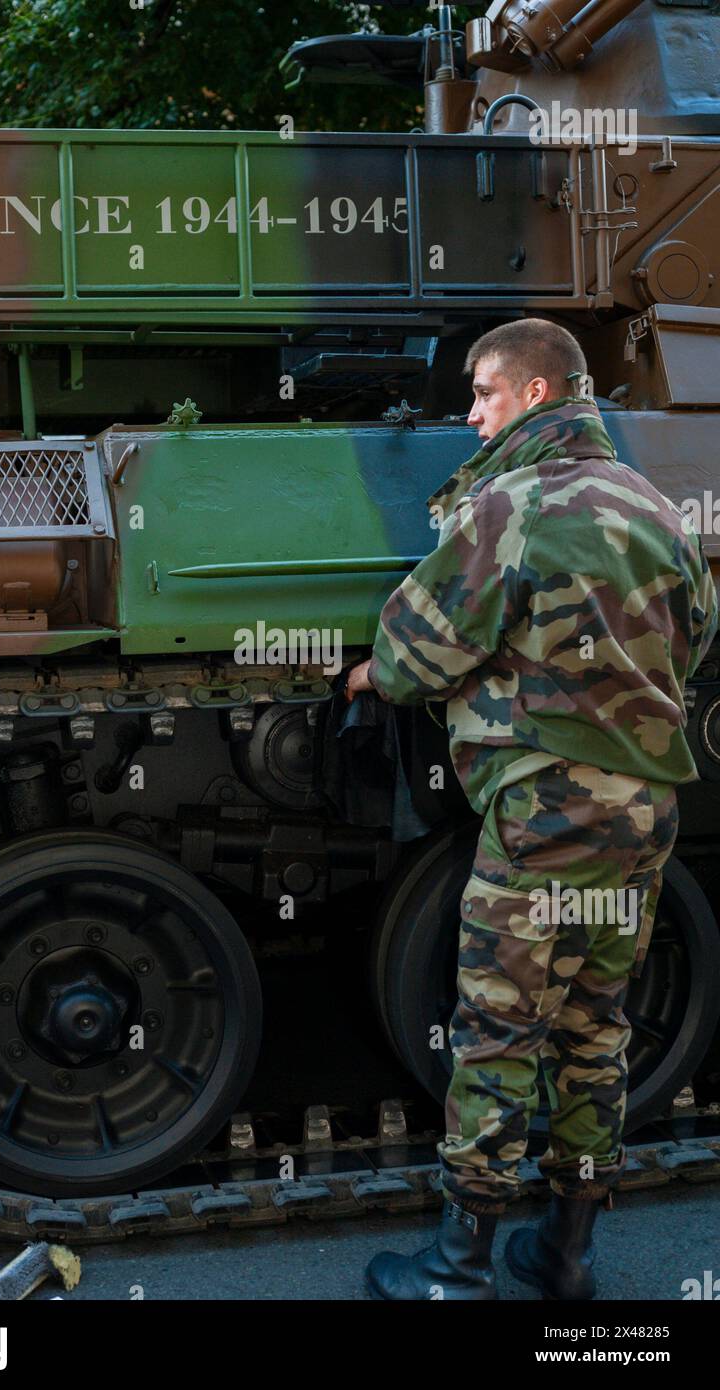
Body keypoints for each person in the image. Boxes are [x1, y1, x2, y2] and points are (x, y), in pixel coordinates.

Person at [346, 318, 719, 1301]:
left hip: (546, 817)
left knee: (499, 1033)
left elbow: (413, 651)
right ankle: (565, 1255)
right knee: (597, 1026)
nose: (470, 413)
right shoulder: (657, 505)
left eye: (486, 393)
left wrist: (371, 674)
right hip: (644, 816)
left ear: (541, 393)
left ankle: (459, 1264)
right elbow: (697, 634)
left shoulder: (510, 504)